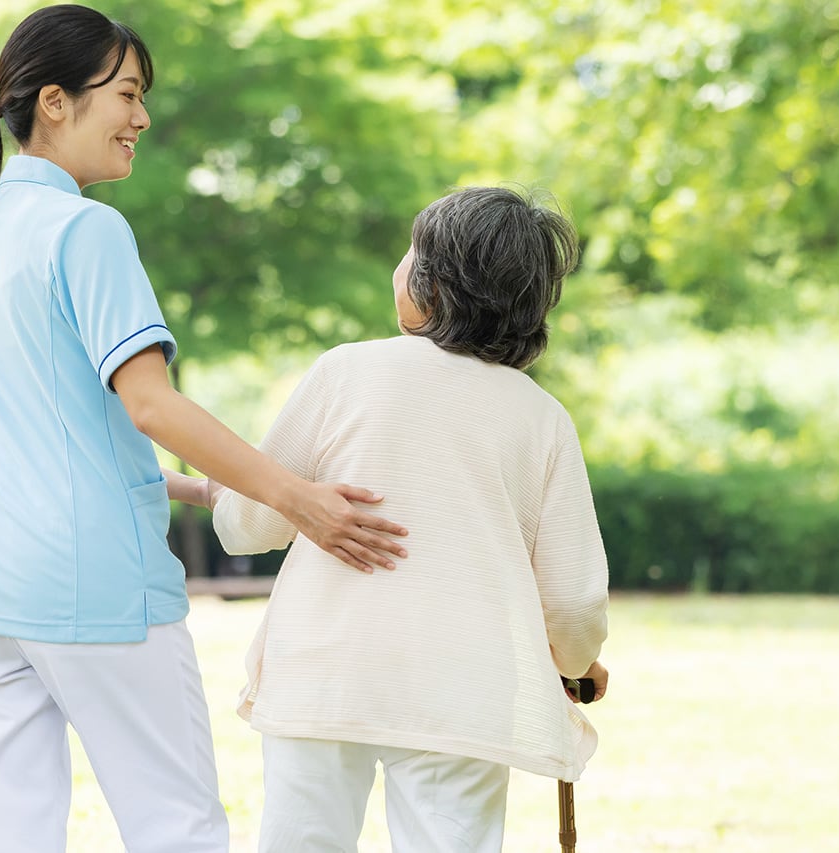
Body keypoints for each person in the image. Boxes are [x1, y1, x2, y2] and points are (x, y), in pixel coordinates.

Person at [0, 6, 406, 852]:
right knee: (179, 829)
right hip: (93, 585)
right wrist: (301, 499)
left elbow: (44, 427)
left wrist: (194, 485)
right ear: (55, 101)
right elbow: (150, 405)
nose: (142, 118)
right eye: (128, 94)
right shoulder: (86, 228)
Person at [204, 186, 611, 852]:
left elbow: (249, 523)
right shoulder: (542, 420)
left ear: (430, 284)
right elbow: (570, 600)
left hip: (324, 673)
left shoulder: (345, 373)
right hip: (463, 688)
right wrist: (576, 660)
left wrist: (218, 495)